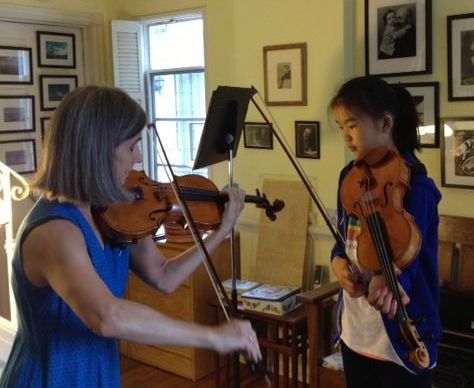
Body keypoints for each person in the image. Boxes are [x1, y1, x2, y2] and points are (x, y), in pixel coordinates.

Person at [0, 86, 261, 387]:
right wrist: (212, 336)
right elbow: (107, 317)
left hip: (100, 374)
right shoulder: (55, 232)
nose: (138, 157)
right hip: (51, 378)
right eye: (131, 146)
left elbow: (164, 276)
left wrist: (221, 231)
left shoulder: (113, 213)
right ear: (97, 150)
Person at [329, 76, 442, 388]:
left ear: (386, 123)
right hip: (357, 333)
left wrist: (389, 279)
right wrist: (338, 263)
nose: (345, 136)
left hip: (404, 337)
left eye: (352, 125)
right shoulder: (349, 177)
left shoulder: (416, 189)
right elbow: (345, 238)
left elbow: (411, 259)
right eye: (340, 127)